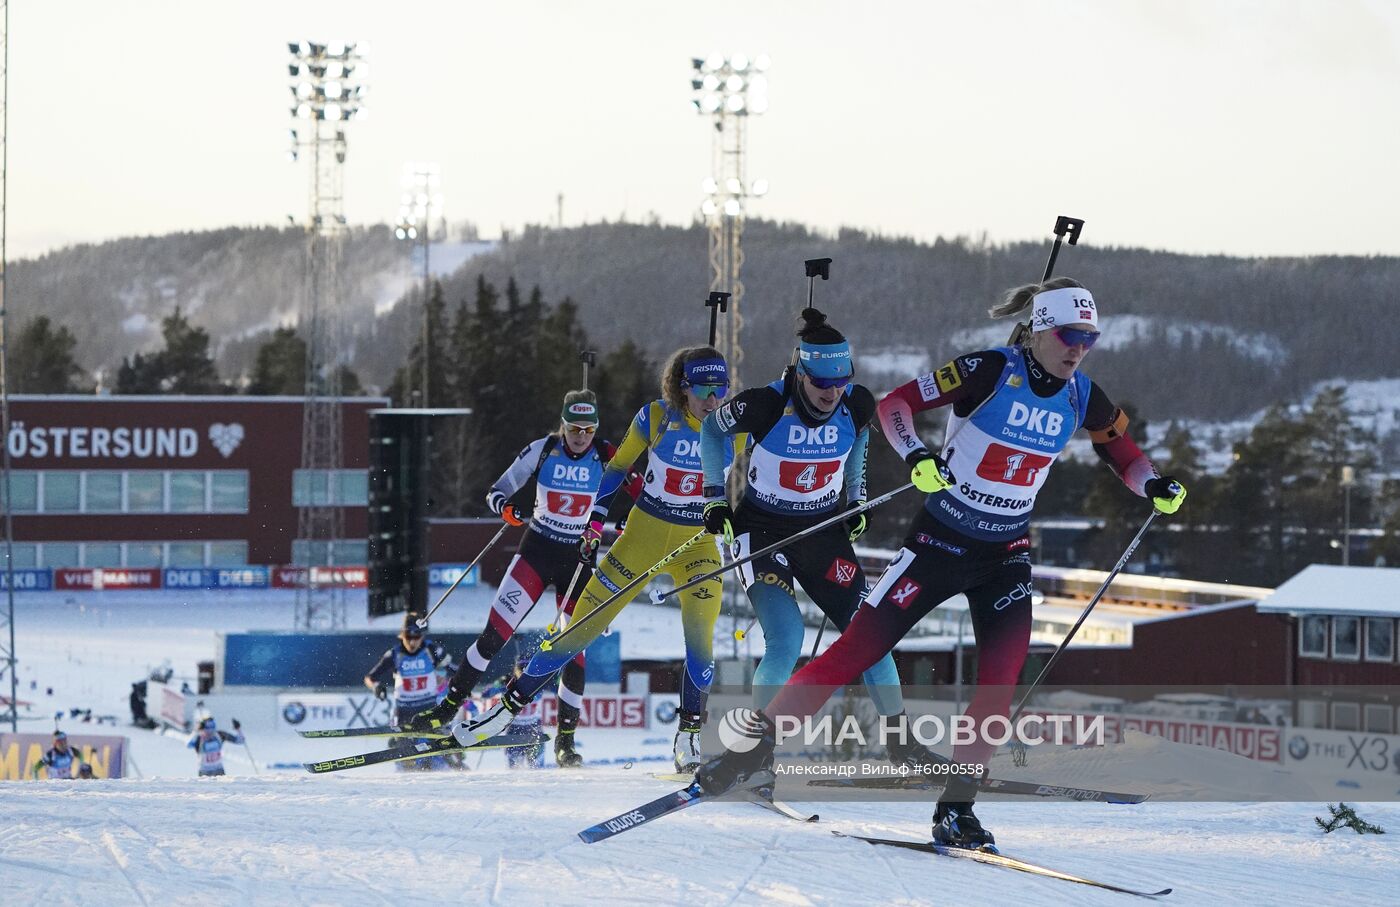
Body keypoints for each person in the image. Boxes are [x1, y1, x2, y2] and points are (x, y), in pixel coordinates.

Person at [695, 278, 1188, 849]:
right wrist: (917, 457)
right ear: (1038, 329)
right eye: (1068, 335)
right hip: (940, 544)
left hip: (1005, 555)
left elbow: (1120, 450)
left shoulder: (1084, 395)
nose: (1079, 348)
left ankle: (957, 810)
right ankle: (753, 749)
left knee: (998, 683)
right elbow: (894, 404)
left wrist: (1153, 484)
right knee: (857, 647)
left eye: (1089, 338)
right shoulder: (987, 369)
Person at [447, 347, 744, 774]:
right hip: (641, 537)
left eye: (721, 390)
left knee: (701, 642)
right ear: (683, 387)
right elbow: (617, 468)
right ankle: (508, 708)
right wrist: (594, 522)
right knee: (577, 631)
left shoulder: (735, 428)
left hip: (697, 545)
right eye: (703, 389)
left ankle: (690, 735)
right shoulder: (655, 418)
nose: (713, 400)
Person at [699, 308, 911, 755]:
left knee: (869, 634)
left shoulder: (856, 403)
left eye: (841, 381)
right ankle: (752, 754)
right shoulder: (765, 403)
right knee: (787, 638)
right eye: (821, 383)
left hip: (822, 531)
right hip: (762, 532)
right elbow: (711, 430)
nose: (832, 393)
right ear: (800, 373)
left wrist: (857, 497)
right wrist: (715, 496)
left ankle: (901, 746)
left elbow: (858, 442)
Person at [408, 390, 617, 768]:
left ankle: (566, 742)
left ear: (596, 428)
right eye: (574, 428)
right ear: (563, 424)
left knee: (574, 651)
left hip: (579, 560)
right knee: (493, 636)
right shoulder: (542, 449)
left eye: (588, 429)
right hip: (536, 551)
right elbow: (496, 491)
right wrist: (507, 509)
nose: (581, 436)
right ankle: (448, 710)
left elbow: (640, 493)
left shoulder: (607, 455)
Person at [365, 612, 454, 771]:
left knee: (438, 751)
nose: (412, 642)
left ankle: (451, 767)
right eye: (408, 637)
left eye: (416, 637)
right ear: (402, 635)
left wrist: (448, 677)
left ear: (422, 636)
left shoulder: (432, 649)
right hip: (404, 712)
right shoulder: (394, 654)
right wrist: (376, 686)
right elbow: (370, 677)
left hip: (429, 709)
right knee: (405, 758)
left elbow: (454, 668)